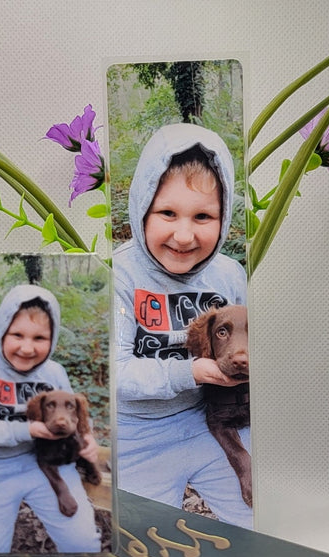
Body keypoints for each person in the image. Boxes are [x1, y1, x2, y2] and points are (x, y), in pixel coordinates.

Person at [113, 122, 252, 528]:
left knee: (258, 522)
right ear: (142, 209)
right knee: (144, 543)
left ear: (224, 219)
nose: (185, 234)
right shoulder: (119, 276)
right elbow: (117, 372)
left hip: (208, 424)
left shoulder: (229, 276)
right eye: (168, 213)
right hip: (136, 437)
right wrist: (189, 371)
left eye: (204, 216)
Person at [0, 284, 101, 553]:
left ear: (53, 338)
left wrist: (88, 437)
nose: (26, 348)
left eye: (39, 338)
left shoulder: (54, 373)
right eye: (17, 335)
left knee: (83, 544)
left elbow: (74, 415)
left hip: (48, 464)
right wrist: (29, 429)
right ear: (1, 332)